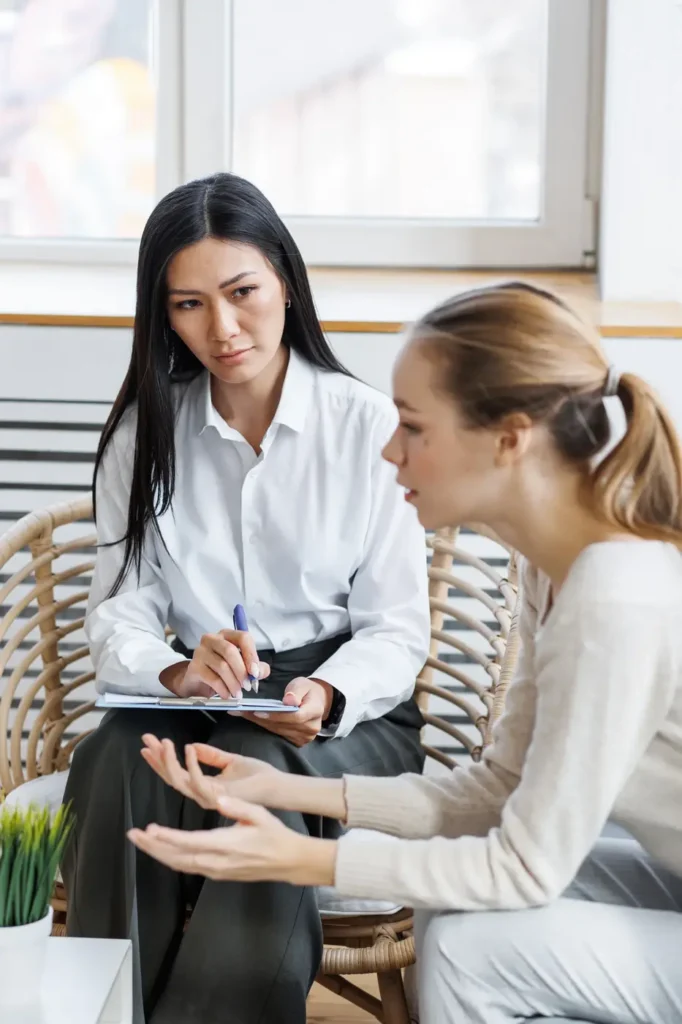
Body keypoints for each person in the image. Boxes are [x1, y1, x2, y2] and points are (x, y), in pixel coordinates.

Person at [131, 283, 682, 1024]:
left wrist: (308, 860)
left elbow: (523, 866)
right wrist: (278, 789)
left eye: (414, 428)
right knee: (448, 911)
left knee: (471, 948)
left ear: (510, 438)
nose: (390, 451)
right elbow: (492, 796)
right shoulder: (549, 570)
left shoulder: (615, 593)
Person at [61, 172, 430, 1024]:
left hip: (347, 713)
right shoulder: (143, 435)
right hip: (197, 691)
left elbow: (398, 629)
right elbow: (117, 610)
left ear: (286, 285)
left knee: (249, 771)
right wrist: (179, 674)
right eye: (188, 305)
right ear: (164, 316)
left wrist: (327, 694)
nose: (221, 329)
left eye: (241, 293)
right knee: (114, 760)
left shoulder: (366, 426)